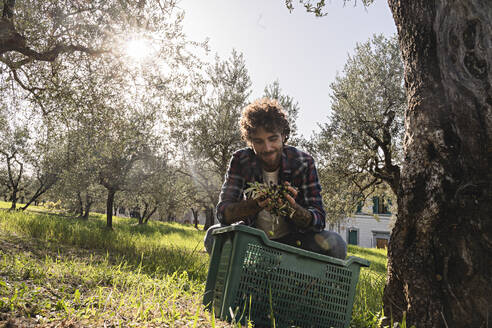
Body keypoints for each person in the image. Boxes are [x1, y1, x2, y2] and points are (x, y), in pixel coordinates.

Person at [204, 98, 347, 259]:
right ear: (250, 142)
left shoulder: (303, 163)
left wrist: (292, 209)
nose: (267, 148)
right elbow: (223, 213)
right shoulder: (241, 160)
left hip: (295, 242)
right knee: (213, 235)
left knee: (336, 244)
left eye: (272, 139)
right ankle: (243, 279)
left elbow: (319, 220)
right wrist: (254, 205)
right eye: (258, 141)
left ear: (283, 136)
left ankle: (306, 282)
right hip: (252, 240)